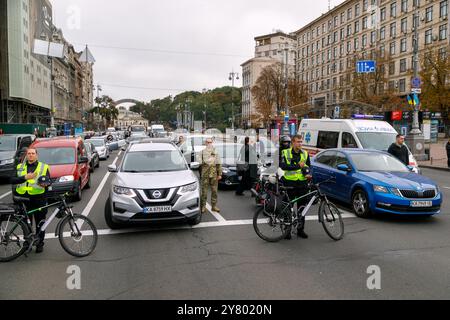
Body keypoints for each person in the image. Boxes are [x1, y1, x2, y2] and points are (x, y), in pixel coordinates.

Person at [10, 148, 51, 253]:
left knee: (40, 223)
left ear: (36, 155)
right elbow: (12, 180)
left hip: (38, 199)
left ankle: (39, 244)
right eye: (29, 154)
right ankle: (27, 242)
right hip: (23, 200)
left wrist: (45, 185)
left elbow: (48, 182)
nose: (31, 155)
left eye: (33, 153)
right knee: (25, 224)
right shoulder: (20, 167)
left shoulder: (44, 166)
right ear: (26, 156)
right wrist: (25, 177)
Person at [280, 135, 311, 240]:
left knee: (302, 208)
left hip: (302, 184)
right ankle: (287, 231)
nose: (300, 144)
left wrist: (307, 173)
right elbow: (283, 166)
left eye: (301, 142)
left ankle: (300, 230)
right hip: (289, 184)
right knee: (288, 208)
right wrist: (298, 166)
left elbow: (308, 166)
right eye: (298, 142)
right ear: (293, 142)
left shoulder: (305, 154)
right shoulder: (285, 152)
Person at [198, 138, 222, 214]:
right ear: (205, 143)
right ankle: (203, 206)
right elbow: (200, 162)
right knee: (204, 191)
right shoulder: (201, 152)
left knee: (214, 191)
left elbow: (219, 163)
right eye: (207, 142)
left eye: (210, 142)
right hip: (205, 174)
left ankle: (214, 206)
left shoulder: (216, 152)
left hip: (214, 174)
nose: (209, 143)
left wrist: (219, 174)